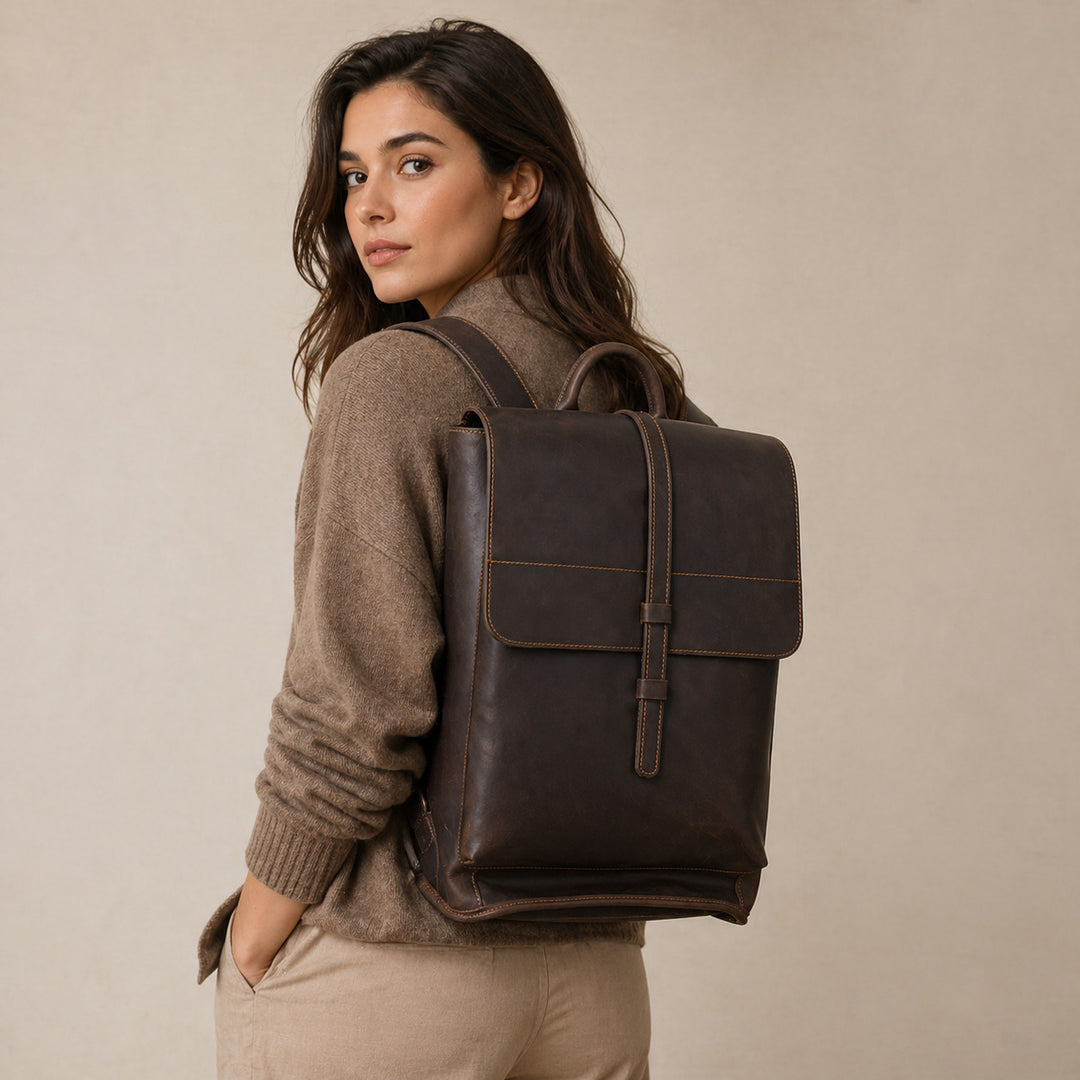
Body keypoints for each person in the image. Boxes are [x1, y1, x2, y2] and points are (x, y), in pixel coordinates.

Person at [198, 19, 687, 1080]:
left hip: (395, 974)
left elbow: (357, 706)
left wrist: (256, 929)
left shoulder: (396, 380)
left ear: (520, 183)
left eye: (415, 164)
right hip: (596, 974)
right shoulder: (636, 394)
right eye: (352, 174)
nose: (368, 206)